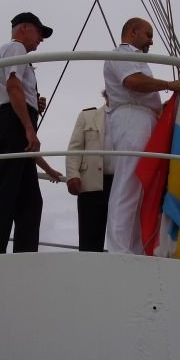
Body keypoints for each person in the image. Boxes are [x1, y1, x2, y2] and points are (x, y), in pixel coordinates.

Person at [103, 17, 180, 254]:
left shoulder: (136, 58)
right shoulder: (121, 54)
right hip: (131, 118)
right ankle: (119, 248)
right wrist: (168, 84)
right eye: (148, 35)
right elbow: (132, 81)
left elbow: (141, 86)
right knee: (128, 182)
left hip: (143, 118)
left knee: (140, 186)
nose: (151, 41)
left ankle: (134, 248)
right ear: (133, 32)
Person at [0, 12, 55, 254]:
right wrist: (28, 127)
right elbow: (13, 86)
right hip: (14, 121)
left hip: (14, 118)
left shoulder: (14, 53)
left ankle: (21, 253)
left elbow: (16, 89)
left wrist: (34, 104)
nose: (41, 39)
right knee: (9, 190)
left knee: (30, 199)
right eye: (39, 32)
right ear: (24, 28)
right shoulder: (16, 48)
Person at [0, 95, 62, 256]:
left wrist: (49, 170)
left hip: (11, 157)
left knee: (29, 205)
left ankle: (23, 255)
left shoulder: (11, 109)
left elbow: (24, 147)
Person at [65, 91, 113, 252]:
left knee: (123, 238)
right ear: (106, 94)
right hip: (91, 184)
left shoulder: (131, 118)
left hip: (121, 184)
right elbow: (75, 148)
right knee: (90, 240)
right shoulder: (87, 116)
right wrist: (72, 175)